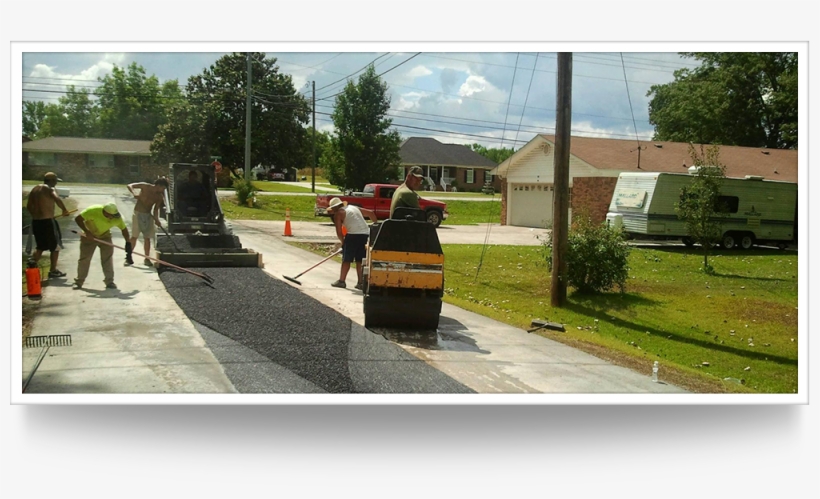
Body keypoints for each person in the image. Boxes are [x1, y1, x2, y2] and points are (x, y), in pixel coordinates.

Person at [73, 203, 131, 290]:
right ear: (106, 213)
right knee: (85, 259)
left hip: (105, 236)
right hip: (89, 236)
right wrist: (87, 232)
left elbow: (124, 229)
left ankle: (109, 281)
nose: (113, 218)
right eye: (112, 216)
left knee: (107, 259)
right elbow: (78, 219)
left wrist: (128, 242)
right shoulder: (93, 211)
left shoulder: (117, 218)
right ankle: (79, 282)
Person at [26, 172, 70, 278]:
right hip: (48, 222)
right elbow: (57, 198)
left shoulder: (34, 189)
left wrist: (35, 215)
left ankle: (30, 268)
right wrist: (64, 210)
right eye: (55, 181)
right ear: (52, 181)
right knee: (56, 246)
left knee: (40, 246)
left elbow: (28, 206)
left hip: (36, 222)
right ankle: (53, 270)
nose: (56, 183)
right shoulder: (50, 188)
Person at [326, 197, 377, 290]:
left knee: (347, 259)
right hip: (366, 235)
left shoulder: (339, 213)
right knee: (360, 260)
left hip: (353, 236)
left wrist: (343, 242)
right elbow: (371, 213)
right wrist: (376, 226)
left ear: (335, 207)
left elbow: (339, 232)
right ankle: (361, 283)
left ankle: (341, 281)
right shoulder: (353, 207)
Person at [127, 178, 168, 267]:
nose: (163, 190)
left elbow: (156, 209)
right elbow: (130, 185)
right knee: (134, 237)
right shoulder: (145, 186)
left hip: (148, 216)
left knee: (147, 238)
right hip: (137, 214)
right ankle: (128, 257)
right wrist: (134, 193)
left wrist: (156, 219)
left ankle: (147, 259)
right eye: (163, 188)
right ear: (158, 185)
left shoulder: (159, 197)